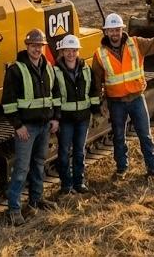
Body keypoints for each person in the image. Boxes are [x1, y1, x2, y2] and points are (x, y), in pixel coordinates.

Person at [91, 13, 154, 180]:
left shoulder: (136, 44)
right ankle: (122, 168)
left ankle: (153, 168)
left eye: (117, 30)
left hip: (137, 99)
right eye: (111, 31)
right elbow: (96, 80)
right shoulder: (99, 54)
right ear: (106, 32)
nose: (115, 33)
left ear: (121, 30)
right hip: (116, 103)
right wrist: (99, 102)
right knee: (119, 137)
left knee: (145, 134)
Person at [1, 28, 60, 226]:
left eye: (40, 46)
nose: (37, 49)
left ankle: (36, 199)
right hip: (27, 128)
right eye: (33, 46)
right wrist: (18, 126)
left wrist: (55, 118)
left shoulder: (49, 67)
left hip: (44, 126)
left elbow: (56, 95)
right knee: (21, 169)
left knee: (39, 164)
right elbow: (8, 102)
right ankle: (14, 209)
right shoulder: (16, 70)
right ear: (27, 46)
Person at [53, 34, 100, 195]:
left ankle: (79, 183)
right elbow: (55, 96)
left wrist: (96, 110)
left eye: (74, 50)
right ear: (62, 51)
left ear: (77, 52)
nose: (71, 54)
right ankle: (66, 185)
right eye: (67, 50)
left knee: (79, 152)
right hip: (66, 119)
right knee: (64, 153)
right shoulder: (56, 71)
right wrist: (56, 118)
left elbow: (93, 90)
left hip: (82, 118)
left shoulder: (86, 69)